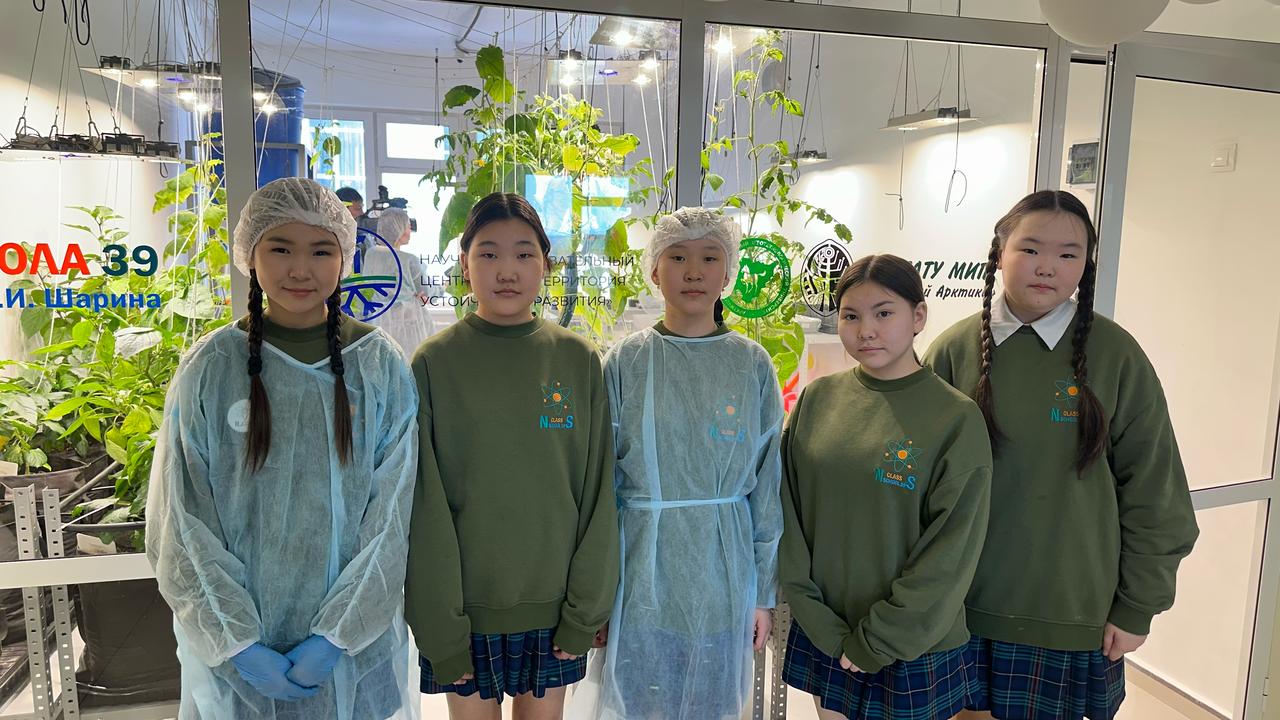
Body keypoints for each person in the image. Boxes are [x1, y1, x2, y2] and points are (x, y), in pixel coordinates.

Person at [146, 177, 419, 719]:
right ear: (250, 254)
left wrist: (338, 634)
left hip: (354, 654)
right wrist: (235, 639)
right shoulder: (212, 366)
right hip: (238, 658)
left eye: (320, 251)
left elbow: (393, 516)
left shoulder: (379, 365)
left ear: (345, 258)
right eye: (280, 248)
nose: (300, 270)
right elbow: (181, 516)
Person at [925, 190, 1199, 720]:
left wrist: (1138, 605)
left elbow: (1155, 491)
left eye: (1068, 254)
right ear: (999, 253)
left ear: (1085, 266)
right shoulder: (954, 349)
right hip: (958, 606)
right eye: (1030, 249)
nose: (1047, 266)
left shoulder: (1115, 354)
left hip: (1071, 612)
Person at [405, 192, 619, 720]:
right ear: (464, 263)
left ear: (546, 264)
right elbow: (423, 505)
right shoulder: (434, 363)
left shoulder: (577, 359)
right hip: (463, 613)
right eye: (488, 253)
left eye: (524, 254)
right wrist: (440, 627)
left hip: (556, 612)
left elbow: (598, 494)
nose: (507, 270)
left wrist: (584, 611)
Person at [571, 207, 783, 720]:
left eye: (709, 258)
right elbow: (601, 485)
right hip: (640, 576)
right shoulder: (626, 362)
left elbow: (767, 487)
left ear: (727, 274)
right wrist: (597, 594)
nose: (693, 271)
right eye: (678, 257)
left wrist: (762, 594)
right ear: (653, 270)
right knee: (640, 703)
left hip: (724, 576)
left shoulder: (751, 364)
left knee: (713, 702)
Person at [781, 254, 992, 720]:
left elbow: (952, 552)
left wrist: (881, 638)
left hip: (911, 641)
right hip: (828, 631)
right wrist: (815, 617)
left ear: (918, 317)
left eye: (883, 313)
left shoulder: (955, 418)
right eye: (851, 316)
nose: (866, 331)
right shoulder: (818, 398)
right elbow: (788, 516)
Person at [363, 208, 434, 355]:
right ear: (399, 229)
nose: (410, 231)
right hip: (408, 325)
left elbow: (368, 288)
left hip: (379, 322)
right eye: (408, 226)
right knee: (409, 364)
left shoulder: (370, 255)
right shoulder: (409, 260)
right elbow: (425, 292)